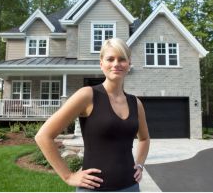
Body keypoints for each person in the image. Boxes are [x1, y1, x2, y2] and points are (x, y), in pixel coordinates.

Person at [35, 38, 150, 192]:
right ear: (101, 63)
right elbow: (43, 136)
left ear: (129, 63)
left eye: (122, 59)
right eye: (110, 59)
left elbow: (144, 138)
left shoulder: (135, 103)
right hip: (93, 189)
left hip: (130, 187)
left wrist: (140, 164)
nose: (116, 64)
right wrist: (68, 176)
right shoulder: (87, 95)